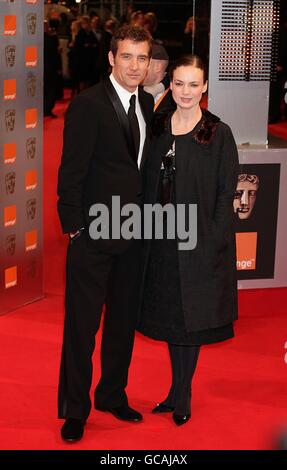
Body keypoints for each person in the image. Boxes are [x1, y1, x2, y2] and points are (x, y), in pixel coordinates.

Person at [57, 25, 154, 442]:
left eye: (142, 58)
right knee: (82, 326)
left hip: (136, 233)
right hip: (94, 233)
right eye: (127, 56)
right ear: (112, 59)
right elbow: (71, 172)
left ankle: (112, 394)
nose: (135, 65)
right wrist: (75, 227)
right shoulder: (87, 105)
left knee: (121, 321)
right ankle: (75, 409)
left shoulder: (149, 103)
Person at [137, 55, 239, 426]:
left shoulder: (217, 132)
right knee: (170, 319)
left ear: (205, 87)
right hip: (161, 241)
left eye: (194, 84)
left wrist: (212, 239)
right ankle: (174, 390)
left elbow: (227, 192)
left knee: (190, 320)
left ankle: (183, 394)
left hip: (198, 242)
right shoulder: (159, 125)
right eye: (179, 83)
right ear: (170, 85)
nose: (185, 92)